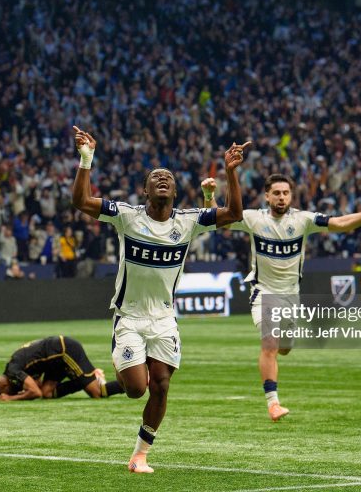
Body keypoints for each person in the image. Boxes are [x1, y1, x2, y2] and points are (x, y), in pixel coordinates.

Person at [71, 126, 245, 473]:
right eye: (156, 177)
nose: (162, 179)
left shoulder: (189, 221)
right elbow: (81, 202)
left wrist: (230, 173)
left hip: (164, 318)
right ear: (145, 190)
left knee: (161, 386)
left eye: (168, 177)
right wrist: (86, 159)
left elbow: (234, 214)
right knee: (137, 389)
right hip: (130, 316)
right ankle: (118, 376)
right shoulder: (127, 216)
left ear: (177, 191)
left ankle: (140, 455)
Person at [202, 174, 361, 420]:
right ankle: (273, 403)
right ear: (267, 196)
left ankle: (277, 364)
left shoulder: (303, 220)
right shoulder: (253, 218)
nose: (281, 197)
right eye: (276, 193)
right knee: (269, 344)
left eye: (285, 193)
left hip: (291, 297)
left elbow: (342, 223)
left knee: (284, 349)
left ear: (291, 195)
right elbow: (217, 219)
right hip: (264, 292)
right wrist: (208, 196)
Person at [0, 336, 124, 401]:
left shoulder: (13, 372)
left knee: (97, 393)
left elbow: (36, 392)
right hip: (55, 361)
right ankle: (86, 378)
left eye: (6, 391)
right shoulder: (13, 367)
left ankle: (131, 383)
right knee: (47, 393)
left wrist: (11, 398)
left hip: (65, 351)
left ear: (5, 386)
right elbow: (38, 386)